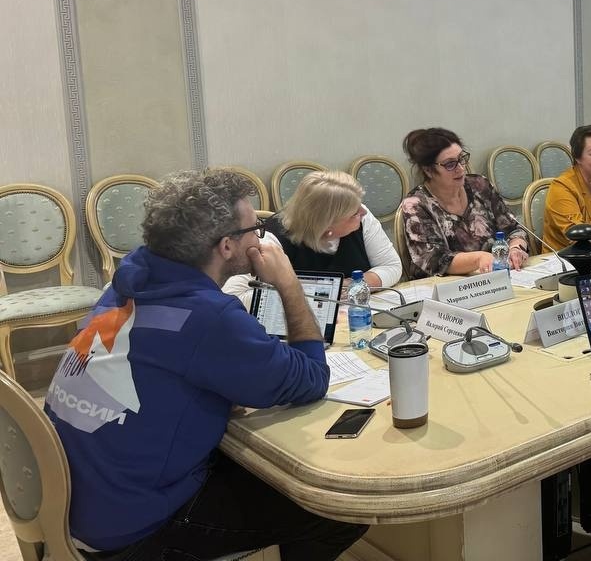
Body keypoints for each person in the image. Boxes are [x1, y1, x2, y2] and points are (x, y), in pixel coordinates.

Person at [45, 169, 366, 560]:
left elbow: (163, 364)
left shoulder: (126, 282)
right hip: (133, 530)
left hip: (76, 502)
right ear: (227, 246)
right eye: (256, 229)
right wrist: (288, 283)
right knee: (338, 510)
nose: (261, 238)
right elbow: (312, 378)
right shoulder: (209, 318)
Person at [223, 171, 401, 305]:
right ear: (326, 224)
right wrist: (318, 292)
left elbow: (391, 266)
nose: (363, 212)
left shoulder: (362, 216)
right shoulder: (271, 237)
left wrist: (353, 285)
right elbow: (234, 295)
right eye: (354, 213)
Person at [399, 127, 529, 277]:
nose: (461, 168)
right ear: (428, 170)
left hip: (497, 277)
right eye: (450, 164)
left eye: (461, 158)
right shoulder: (416, 204)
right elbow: (434, 260)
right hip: (447, 286)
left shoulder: (479, 185)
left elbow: (514, 229)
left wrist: (515, 248)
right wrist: (479, 259)